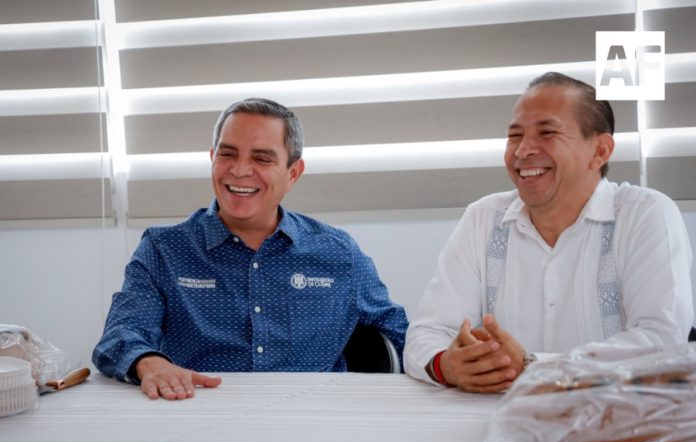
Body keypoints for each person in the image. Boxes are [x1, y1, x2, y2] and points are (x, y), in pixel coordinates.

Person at [93, 98, 408, 400]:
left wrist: (435, 360)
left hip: (312, 418)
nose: (240, 170)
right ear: (212, 158)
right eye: (228, 154)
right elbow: (121, 334)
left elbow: (402, 336)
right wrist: (149, 362)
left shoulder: (339, 254)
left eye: (262, 159)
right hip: (196, 414)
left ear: (293, 173)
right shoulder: (163, 250)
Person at [404, 72, 694, 393]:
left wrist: (534, 367)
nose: (523, 150)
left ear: (599, 151)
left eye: (547, 133)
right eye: (515, 136)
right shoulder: (483, 218)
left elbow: (662, 342)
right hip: (497, 414)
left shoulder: (644, 214)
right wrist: (447, 364)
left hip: (615, 412)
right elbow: (427, 333)